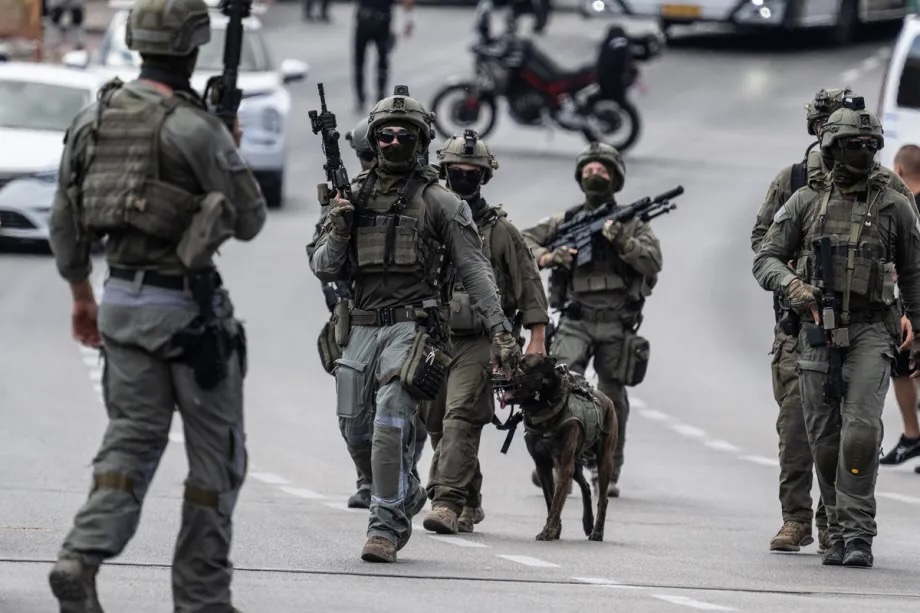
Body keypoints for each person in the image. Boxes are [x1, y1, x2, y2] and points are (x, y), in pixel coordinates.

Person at [45, 0, 266, 609]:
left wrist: (81, 295)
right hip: (188, 313)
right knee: (216, 458)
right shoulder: (196, 128)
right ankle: (201, 596)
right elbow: (249, 219)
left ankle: (81, 555)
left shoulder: (94, 117)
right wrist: (229, 147)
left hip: (119, 300)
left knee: (131, 441)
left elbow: (64, 217)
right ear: (192, 48)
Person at [309, 89, 521, 563]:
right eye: (385, 135)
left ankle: (384, 528)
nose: (394, 142)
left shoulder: (440, 201)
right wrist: (340, 229)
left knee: (390, 418)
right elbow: (323, 266)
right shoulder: (350, 197)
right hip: (360, 328)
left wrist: (500, 330)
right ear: (374, 139)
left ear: (422, 141)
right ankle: (402, 489)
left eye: (405, 135)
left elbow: (475, 270)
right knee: (355, 429)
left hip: (414, 327)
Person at [753, 100, 920, 568]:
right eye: (853, 144)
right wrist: (794, 286)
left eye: (870, 145)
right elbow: (765, 256)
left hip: (872, 329)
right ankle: (835, 529)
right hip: (816, 331)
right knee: (824, 440)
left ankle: (858, 533)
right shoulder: (804, 200)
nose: (862, 152)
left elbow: (914, 271)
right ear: (832, 146)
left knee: (861, 432)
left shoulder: (893, 202)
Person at [421, 130, 549, 535]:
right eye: (456, 170)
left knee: (461, 415)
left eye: (472, 172)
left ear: (484, 177)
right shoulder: (429, 218)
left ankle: (446, 502)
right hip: (434, 337)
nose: (463, 177)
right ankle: (470, 499)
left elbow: (529, 285)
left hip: (481, 340)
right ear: (444, 171)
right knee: (435, 421)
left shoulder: (501, 231)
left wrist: (536, 338)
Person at [521, 142, 662, 499]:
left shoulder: (632, 222)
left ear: (615, 178)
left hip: (617, 323)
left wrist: (623, 241)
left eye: (602, 170)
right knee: (562, 387)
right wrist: (550, 256)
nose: (595, 174)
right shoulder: (565, 221)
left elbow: (652, 262)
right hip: (576, 318)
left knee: (612, 396)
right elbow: (522, 243)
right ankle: (559, 460)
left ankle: (606, 468)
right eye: (589, 169)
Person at [749, 88, 855, 555]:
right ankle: (795, 518)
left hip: (856, 325)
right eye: (827, 124)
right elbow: (762, 241)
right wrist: (792, 278)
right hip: (799, 326)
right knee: (796, 426)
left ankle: (835, 520)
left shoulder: (874, 184)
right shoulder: (792, 180)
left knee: (848, 428)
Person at [308, 116, 429, 510]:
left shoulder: (425, 194)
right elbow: (320, 256)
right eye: (365, 154)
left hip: (409, 318)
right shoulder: (351, 195)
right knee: (353, 411)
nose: (373, 160)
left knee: (400, 404)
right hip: (355, 312)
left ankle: (399, 480)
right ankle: (372, 478)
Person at [880, 143, 920, 471]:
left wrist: (908, 312)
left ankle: (912, 434)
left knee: (904, 368)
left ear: (900, 171)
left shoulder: (906, 208)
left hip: (912, 306)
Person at [353, 0, 414, 111]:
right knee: (362, 62)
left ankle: (377, 96)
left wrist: (409, 19)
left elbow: (406, 2)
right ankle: (363, 97)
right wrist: (409, 19)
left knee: (380, 62)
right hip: (368, 21)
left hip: (379, 23)